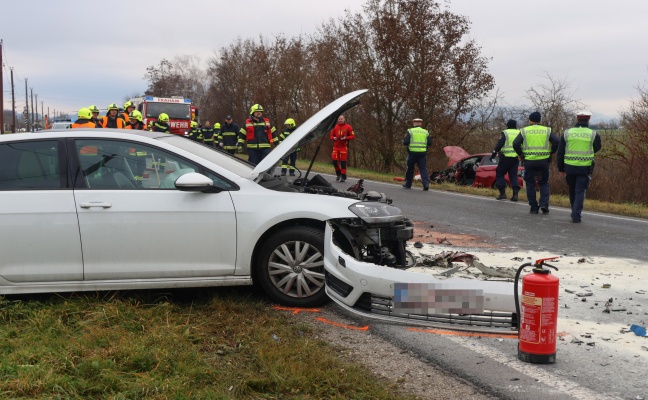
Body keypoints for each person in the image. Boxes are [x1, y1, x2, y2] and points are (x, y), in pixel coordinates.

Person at [557, 110, 602, 223]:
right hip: (585, 167)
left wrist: (560, 168)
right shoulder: (593, 134)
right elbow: (597, 148)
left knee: (572, 190)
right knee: (580, 191)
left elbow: (560, 152)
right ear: (588, 120)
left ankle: (574, 211)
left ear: (577, 119)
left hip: (569, 167)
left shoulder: (567, 133)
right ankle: (576, 214)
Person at [513, 111, 559, 214]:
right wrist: (551, 152)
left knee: (530, 183)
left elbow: (515, 144)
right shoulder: (546, 130)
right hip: (543, 161)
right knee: (543, 183)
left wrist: (521, 154)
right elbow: (556, 141)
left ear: (530, 120)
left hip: (529, 162)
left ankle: (533, 207)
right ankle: (544, 204)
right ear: (539, 120)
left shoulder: (524, 131)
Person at [491, 119, 522, 201]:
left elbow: (500, 144)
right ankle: (515, 195)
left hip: (505, 158)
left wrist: (494, 154)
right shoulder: (519, 132)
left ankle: (502, 193)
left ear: (508, 125)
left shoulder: (505, 132)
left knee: (500, 174)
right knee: (513, 176)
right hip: (515, 159)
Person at [402, 118, 431, 190]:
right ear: (421, 124)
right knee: (423, 168)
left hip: (412, 153)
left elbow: (405, 142)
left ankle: (408, 184)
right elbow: (430, 143)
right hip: (422, 153)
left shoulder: (410, 131)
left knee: (410, 168)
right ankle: (426, 184)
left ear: (414, 123)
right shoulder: (425, 132)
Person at [330, 114, 355, 182]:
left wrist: (346, 138)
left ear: (344, 119)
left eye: (341, 119)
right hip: (335, 147)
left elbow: (352, 136)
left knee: (343, 162)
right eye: (339, 119)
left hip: (343, 147)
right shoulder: (335, 127)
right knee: (334, 161)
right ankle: (338, 173)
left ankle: (343, 176)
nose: (340, 120)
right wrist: (334, 138)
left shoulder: (348, 127)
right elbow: (331, 136)